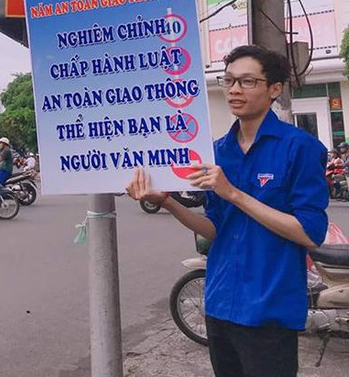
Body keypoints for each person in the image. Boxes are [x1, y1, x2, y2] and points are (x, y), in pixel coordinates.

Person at [125, 45, 328, 377]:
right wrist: (167, 202)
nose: (234, 89)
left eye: (247, 81)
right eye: (229, 80)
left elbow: (310, 232)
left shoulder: (300, 148)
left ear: (274, 89)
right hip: (219, 305)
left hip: (269, 311)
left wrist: (233, 193)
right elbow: (215, 229)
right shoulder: (218, 151)